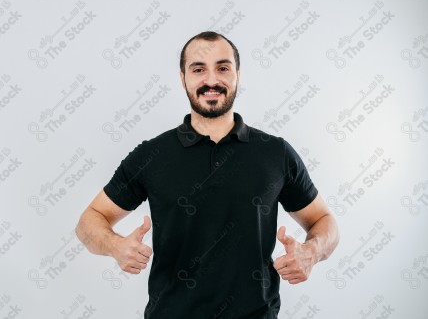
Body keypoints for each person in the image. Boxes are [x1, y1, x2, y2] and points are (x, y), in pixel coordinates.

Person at [75, 31, 339, 319]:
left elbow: (325, 222)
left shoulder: (275, 153)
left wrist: (311, 252)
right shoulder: (152, 155)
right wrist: (115, 246)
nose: (211, 80)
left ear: (238, 75)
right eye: (199, 69)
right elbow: (88, 222)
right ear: (182, 78)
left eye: (223, 68)